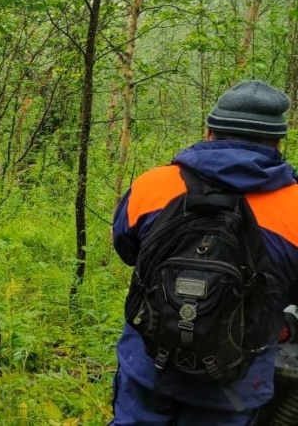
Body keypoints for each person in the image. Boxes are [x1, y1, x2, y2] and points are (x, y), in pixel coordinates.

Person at [110, 80, 298, 425]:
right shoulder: (294, 206)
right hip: (235, 383)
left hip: (149, 364)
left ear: (209, 130)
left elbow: (127, 250)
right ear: (277, 141)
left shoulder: (153, 185)